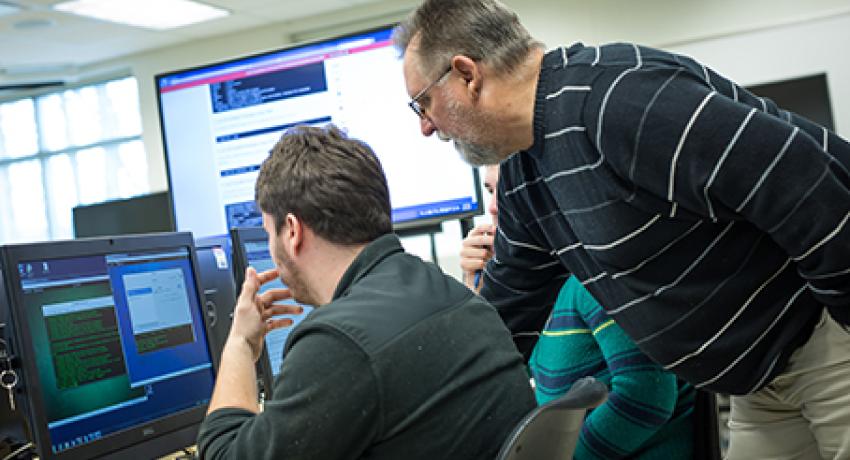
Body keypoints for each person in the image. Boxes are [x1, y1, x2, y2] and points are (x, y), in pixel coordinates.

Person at [395, 1, 850, 458]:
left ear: (467, 74)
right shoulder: (525, 174)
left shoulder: (618, 99)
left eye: (423, 103)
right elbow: (511, 311)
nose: (425, 127)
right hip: (760, 379)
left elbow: (806, 183)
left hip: (824, 336)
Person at [196, 125, 536, 459]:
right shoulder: (445, 290)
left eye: (270, 233)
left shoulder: (338, 342)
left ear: (293, 231)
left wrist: (240, 344)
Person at [462, 165, 694, 459]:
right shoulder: (543, 292)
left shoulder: (598, 278)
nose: (494, 206)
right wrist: (480, 289)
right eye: (490, 190)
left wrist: (564, 456)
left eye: (506, 188)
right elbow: (512, 381)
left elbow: (646, 398)